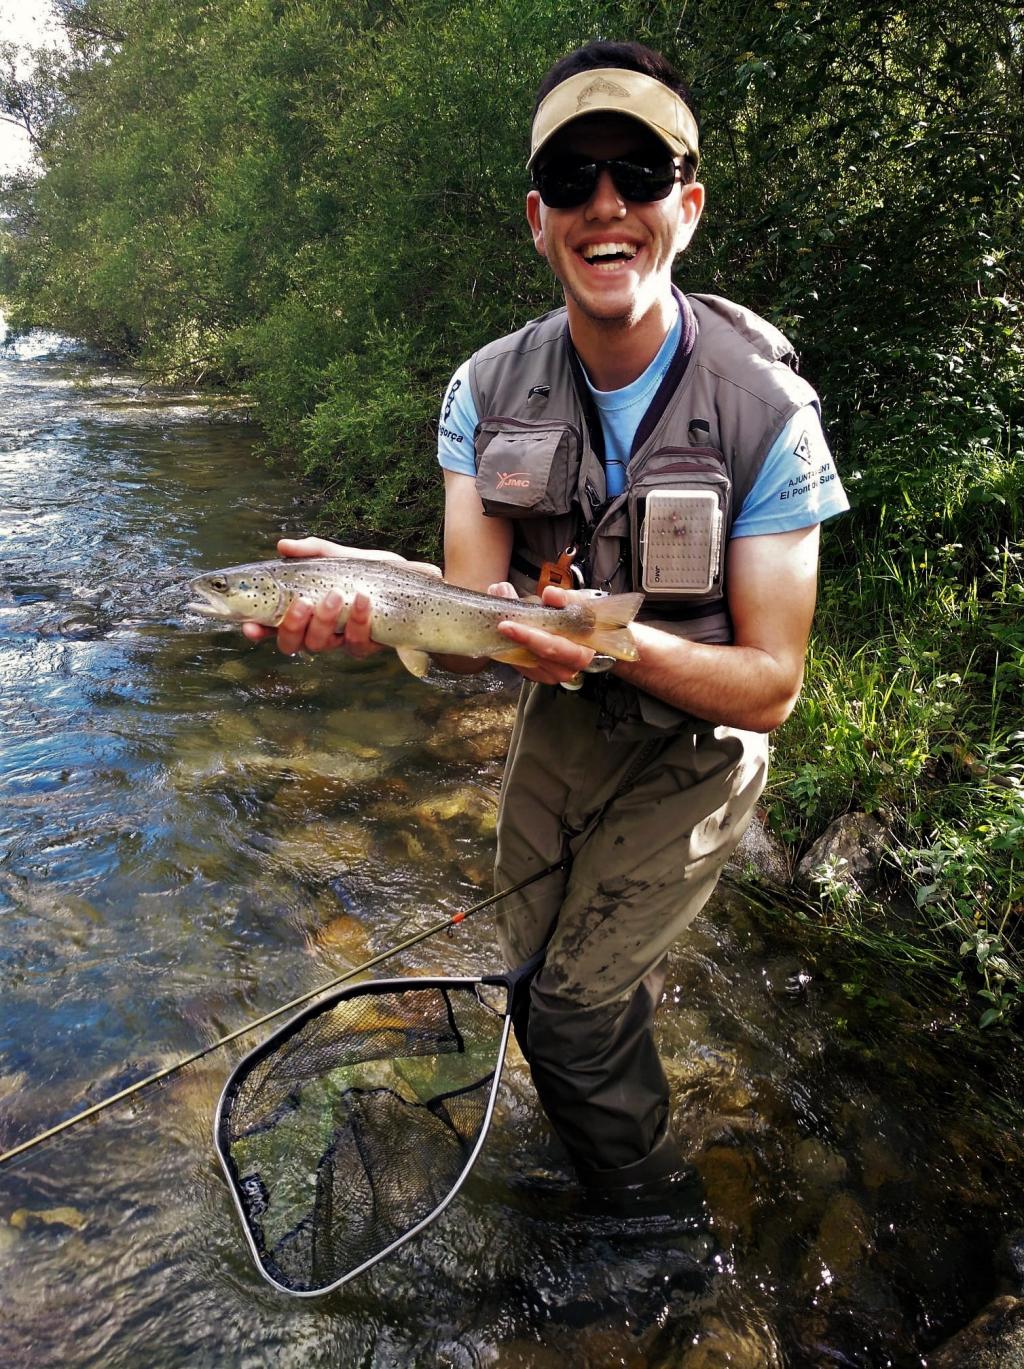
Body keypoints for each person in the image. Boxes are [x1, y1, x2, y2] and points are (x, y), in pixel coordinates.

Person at [246, 40, 849, 1197]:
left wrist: (601, 639)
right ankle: (616, 1105)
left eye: (639, 173)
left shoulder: (769, 414)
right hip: (560, 730)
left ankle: (648, 1219)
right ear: (538, 219)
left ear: (686, 207)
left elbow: (772, 685)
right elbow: (472, 625)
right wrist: (386, 597)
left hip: (698, 744)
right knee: (531, 979)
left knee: (570, 1010)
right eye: (573, 178)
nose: (605, 203)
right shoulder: (481, 392)